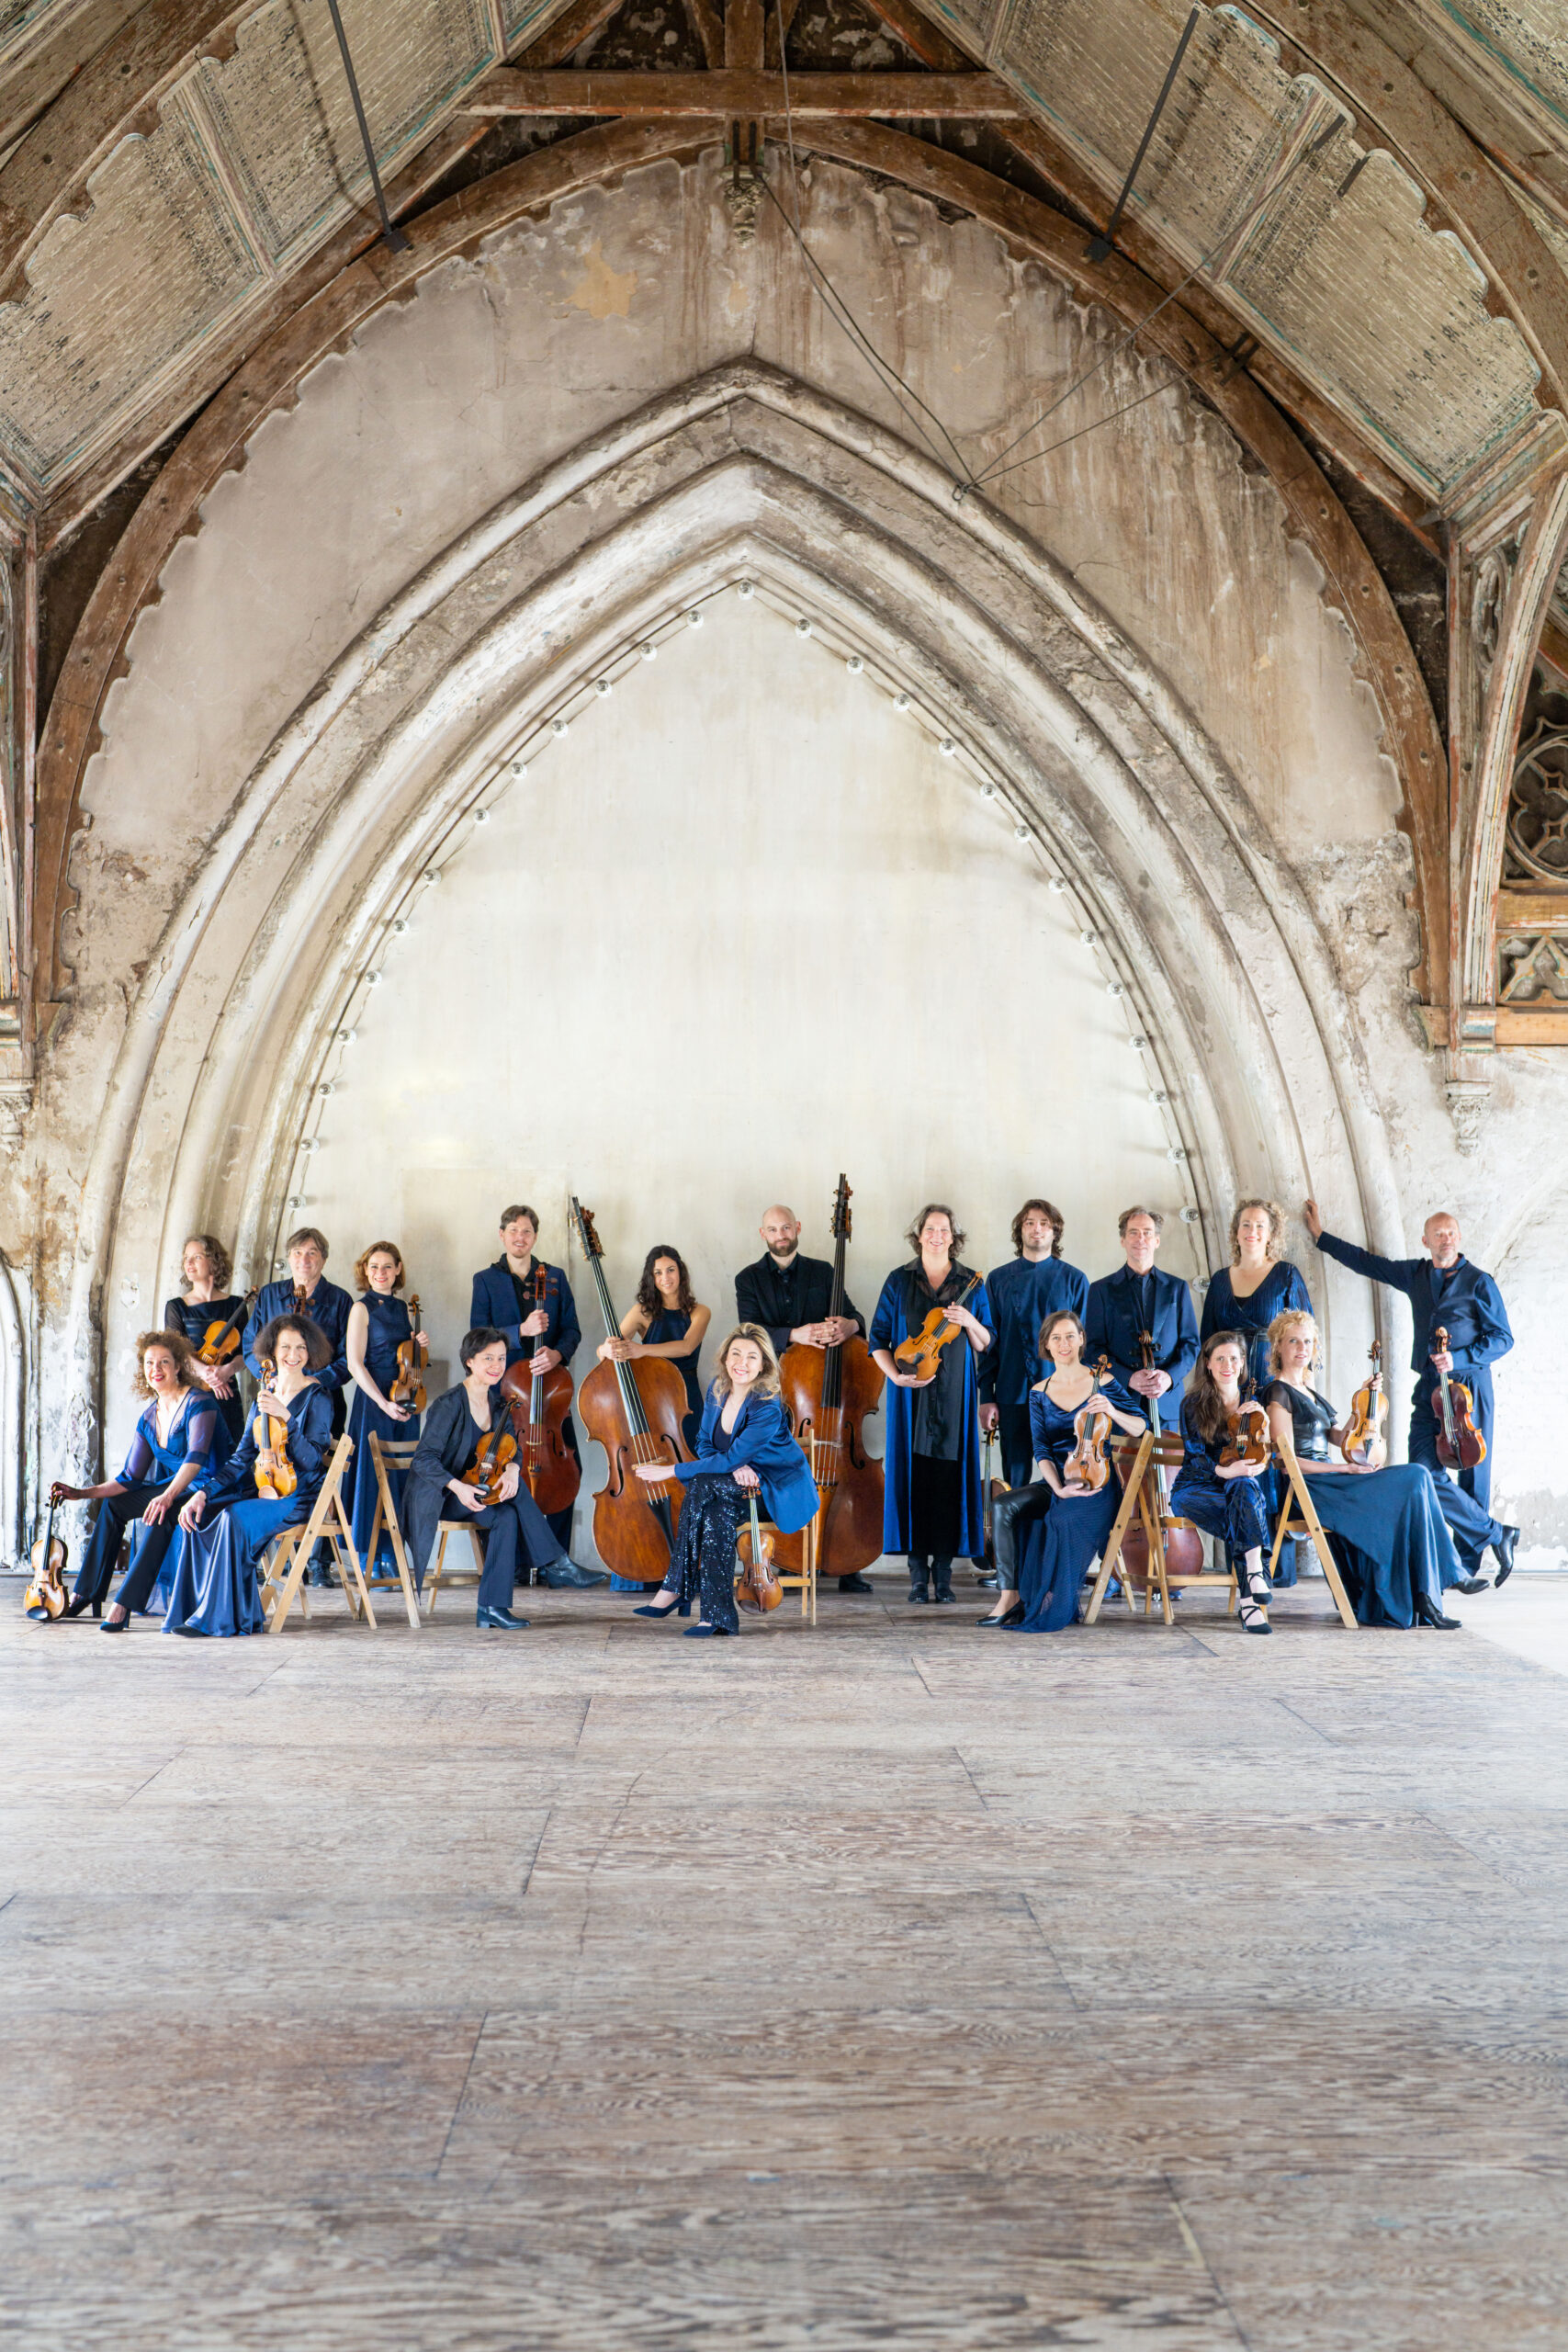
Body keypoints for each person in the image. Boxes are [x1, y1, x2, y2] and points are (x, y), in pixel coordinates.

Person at [1303, 1200, 1518, 1591]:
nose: (1446, 1239)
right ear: (1426, 1240)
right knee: (1422, 1470)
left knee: (1472, 1472)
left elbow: (1503, 1338)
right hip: (1428, 1388)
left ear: (1459, 1237)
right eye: (1438, 1234)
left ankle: (1463, 1569)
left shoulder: (1479, 1282)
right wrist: (1321, 1238)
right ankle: (1495, 1534)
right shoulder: (1415, 1274)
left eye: (1451, 1233)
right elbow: (1368, 1263)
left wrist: (1458, 1357)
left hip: (1468, 1386)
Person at [1263, 1307, 1461, 1629]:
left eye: (1308, 1341)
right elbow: (1287, 1463)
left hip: (1333, 1482)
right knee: (1416, 1475)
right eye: (1293, 1341)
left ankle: (1425, 1595)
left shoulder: (1309, 1391)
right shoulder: (1278, 1392)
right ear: (1278, 1347)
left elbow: (1342, 1438)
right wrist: (1344, 1470)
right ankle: (1444, 1578)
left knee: (1419, 1479)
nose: (1302, 1348)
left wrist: (1364, 1401)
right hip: (1310, 1487)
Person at [629, 1324, 818, 1636]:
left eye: (752, 1356)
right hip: (734, 1486)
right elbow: (704, 1443)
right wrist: (735, 1466)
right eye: (735, 1354)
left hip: (773, 1488)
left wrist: (672, 1470)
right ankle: (717, 1619)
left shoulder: (767, 1405)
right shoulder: (718, 1389)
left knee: (702, 1484)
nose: (741, 1362)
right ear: (725, 1358)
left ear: (764, 1364)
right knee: (717, 1516)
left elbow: (729, 1458)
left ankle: (675, 1586)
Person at [165, 1315, 335, 1636]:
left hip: (298, 1498)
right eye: (285, 1347)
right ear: (271, 1350)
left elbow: (313, 1461)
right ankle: (189, 1612)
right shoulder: (264, 1397)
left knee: (232, 1518)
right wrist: (203, 1493)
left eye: (301, 1347)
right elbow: (241, 1459)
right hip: (264, 1491)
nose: (293, 1354)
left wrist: (287, 1418)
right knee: (199, 1514)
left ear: (310, 1351)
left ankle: (219, 1620)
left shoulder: (319, 1397)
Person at [734, 1203, 873, 1595]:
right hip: (774, 1391)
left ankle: (846, 1561)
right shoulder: (748, 1279)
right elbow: (748, 1331)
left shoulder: (823, 1272)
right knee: (779, 1473)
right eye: (773, 1229)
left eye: (786, 1228)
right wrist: (794, 1335)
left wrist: (851, 1325)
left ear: (797, 1228)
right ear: (763, 1234)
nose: (780, 1235)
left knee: (837, 1476)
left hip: (825, 1396)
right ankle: (786, 1559)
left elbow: (853, 1316)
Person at [49, 1329, 230, 1628]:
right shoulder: (148, 1417)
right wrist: (81, 1493)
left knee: (162, 1512)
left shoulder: (200, 1402)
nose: (155, 1369)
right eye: (149, 1363)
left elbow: (196, 1457)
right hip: (182, 1486)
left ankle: (124, 1604)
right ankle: (87, 1592)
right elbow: (129, 1478)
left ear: (178, 1366)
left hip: (215, 1486)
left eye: (164, 1362)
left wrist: (167, 1496)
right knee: (115, 1505)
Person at [400, 1329, 573, 1629]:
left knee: (506, 1515)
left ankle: (492, 1609)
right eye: (488, 1358)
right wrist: (458, 1487)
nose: (497, 1365)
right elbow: (424, 1459)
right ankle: (558, 1562)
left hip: (475, 1491)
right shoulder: (449, 1404)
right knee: (516, 1498)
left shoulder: (497, 1404)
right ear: (470, 1361)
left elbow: (512, 1448)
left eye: (502, 1358)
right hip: (441, 1495)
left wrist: (512, 1470)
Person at [868, 1204, 994, 1606]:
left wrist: (969, 1321)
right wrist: (895, 1377)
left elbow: (985, 1342)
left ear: (953, 1237)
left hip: (956, 1393)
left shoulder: (970, 1282)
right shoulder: (899, 1280)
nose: (937, 1236)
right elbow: (877, 1340)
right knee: (915, 1480)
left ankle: (944, 1575)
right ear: (919, 1234)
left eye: (944, 1230)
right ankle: (918, 1578)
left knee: (948, 1481)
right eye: (930, 1229)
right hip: (910, 1395)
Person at [999, 1311, 1145, 1633]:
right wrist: (1058, 1488)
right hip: (1059, 1480)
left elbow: (1140, 1427)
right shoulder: (1038, 1392)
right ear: (1046, 1345)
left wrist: (1112, 1410)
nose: (1063, 1343)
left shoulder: (1102, 1381)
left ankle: (1055, 1601)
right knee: (1028, 1514)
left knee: (1060, 1519)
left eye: (1069, 1336)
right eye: (1056, 1338)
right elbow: (1041, 1450)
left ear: (1081, 1339)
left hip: (1098, 1483)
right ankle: (1025, 1599)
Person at [1200, 1201, 1313, 1584]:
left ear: (1271, 1233)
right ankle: (1245, 1563)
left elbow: (1304, 1337)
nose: (1252, 1232)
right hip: (1229, 1387)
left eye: (1260, 1226)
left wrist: (1305, 1391)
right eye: (1246, 1224)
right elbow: (1207, 1342)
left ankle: (1275, 1567)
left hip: (1272, 1385)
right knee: (1238, 1462)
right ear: (1236, 1231)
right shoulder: (1220, 1280)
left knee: (1272, 1465)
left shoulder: (1285, 1274)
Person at [596, 1245, 711, 1593]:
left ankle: (691, 1567)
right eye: (658, 1273)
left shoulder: (700, 1311)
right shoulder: (643, 1311)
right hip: (649, 1402)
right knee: (644, 1478)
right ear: (651, 1277)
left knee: (690, 1478)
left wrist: (640, 1350)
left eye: (670, 1270)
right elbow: (607, 1348)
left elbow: (685, 1347)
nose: (665, 1278)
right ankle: (646, 1562)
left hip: (684, 1402)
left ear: (681, 1272)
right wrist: (608, 1349)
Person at [469, 1204, 583, 1554]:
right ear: (502, 1235)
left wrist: (557, 1354)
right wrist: (520, 1330)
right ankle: (513, 1560)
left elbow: (572, 1330)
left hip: (549, 1394)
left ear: (535, 1237)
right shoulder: (485, 1280)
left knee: (567, 1468)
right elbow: (477, 1335)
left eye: (527, 1231)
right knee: (501, 1470)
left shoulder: (555, 1277)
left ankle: (557, 1560)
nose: (520, 1237)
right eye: (514, 1231)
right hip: (505, 1393)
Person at [1169, 1331, 1276, 1634]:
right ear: (1208, 1363)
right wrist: (1224, 1472)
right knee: (1245, 1509)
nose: (1227, 1365)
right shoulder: (1193, 1403)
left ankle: (1251, 1582)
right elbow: (1195, 1456)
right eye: (1220, 1359)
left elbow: (1263, 1452)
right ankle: (1253, 1589)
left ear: (1242, 1363)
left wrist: (1265, 1425)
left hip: (1238, 1486)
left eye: (1233, 1358)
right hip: (1196, 1486)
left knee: (1244, 1491)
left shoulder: (1253, 1404)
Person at [979, 1199, 1089, 1486]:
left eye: (1044, 1223)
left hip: (1064, 1397)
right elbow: (989, 1343)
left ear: (1055, 1232)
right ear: (1020, 1231)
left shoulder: (1075, 1280)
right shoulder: (998, 1279)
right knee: (1015, 1480)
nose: (1036, 1229)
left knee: (1066, 1476)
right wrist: (986, 1396)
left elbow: (1084, 1347)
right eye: (1029, 1223)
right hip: (1011, 1394)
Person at [344, 1241, 425, 1581]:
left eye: (388, 1266)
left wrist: (418, 1347)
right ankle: (370, 1557)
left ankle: (393, 1552)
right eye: (374, 1266)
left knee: (401, 1477)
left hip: (405, 1398)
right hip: (375, 1402)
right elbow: (354, 1364)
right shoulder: (360, 1309)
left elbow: (406, 1358)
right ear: (366, 1270)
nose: (381, 1272)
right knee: (371, 1477)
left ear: (398, 1269)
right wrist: (382, 1403)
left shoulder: (405, 1309)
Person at [1084, 1206, 1199, 1434]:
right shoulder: (1101, 1290)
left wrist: (1169, 1377)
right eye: (1133, 1232)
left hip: (1165, 1400)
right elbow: (1092, 1350)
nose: (1140, 1239)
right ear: (1123, 1240)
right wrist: (1128, 1377)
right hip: (1121, 1402)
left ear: (1157, 1240)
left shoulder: (1177, 1288)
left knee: (1169, 1457)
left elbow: (1191, 1344)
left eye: (1147, 1232)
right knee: (1122, 1458)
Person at [163, 1234, 250, 1444]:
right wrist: (207, 1373)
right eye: (186, 1258)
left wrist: (227, 1370)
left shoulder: (236, 1305)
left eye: (197, 1257)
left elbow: (246, 1353)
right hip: (191, 1393)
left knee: (231, 1452)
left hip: (227, 1393)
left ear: (213, 1261)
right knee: (195, 1452)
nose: (189, 1263)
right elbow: (175, 1353)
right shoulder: (176, 1307)